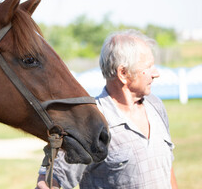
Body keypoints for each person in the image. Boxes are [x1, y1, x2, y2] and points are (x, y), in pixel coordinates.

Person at [36, 29, 178, 189]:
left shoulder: (155, 106)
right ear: (123, 73)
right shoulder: (90, 123)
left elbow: (167, 169)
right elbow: (49, 181)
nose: (156, 73)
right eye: (149, 66)